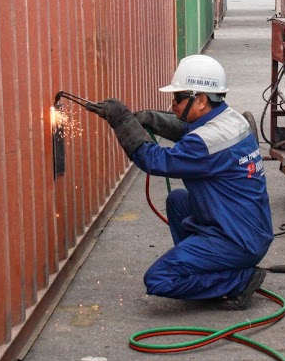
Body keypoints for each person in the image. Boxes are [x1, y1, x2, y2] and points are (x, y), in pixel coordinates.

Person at [86, 55, 273, 309]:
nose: (173, 105)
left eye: (177, 99)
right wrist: (151, 119)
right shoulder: (231, 119)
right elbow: (187, 130)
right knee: (177, 201)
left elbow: (155, 160)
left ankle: (239, 278)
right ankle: (205, 268)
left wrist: (122, 122)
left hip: (236, 239)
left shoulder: (205, 143)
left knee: (159, 279)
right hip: (249, 228)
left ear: (202, 99)